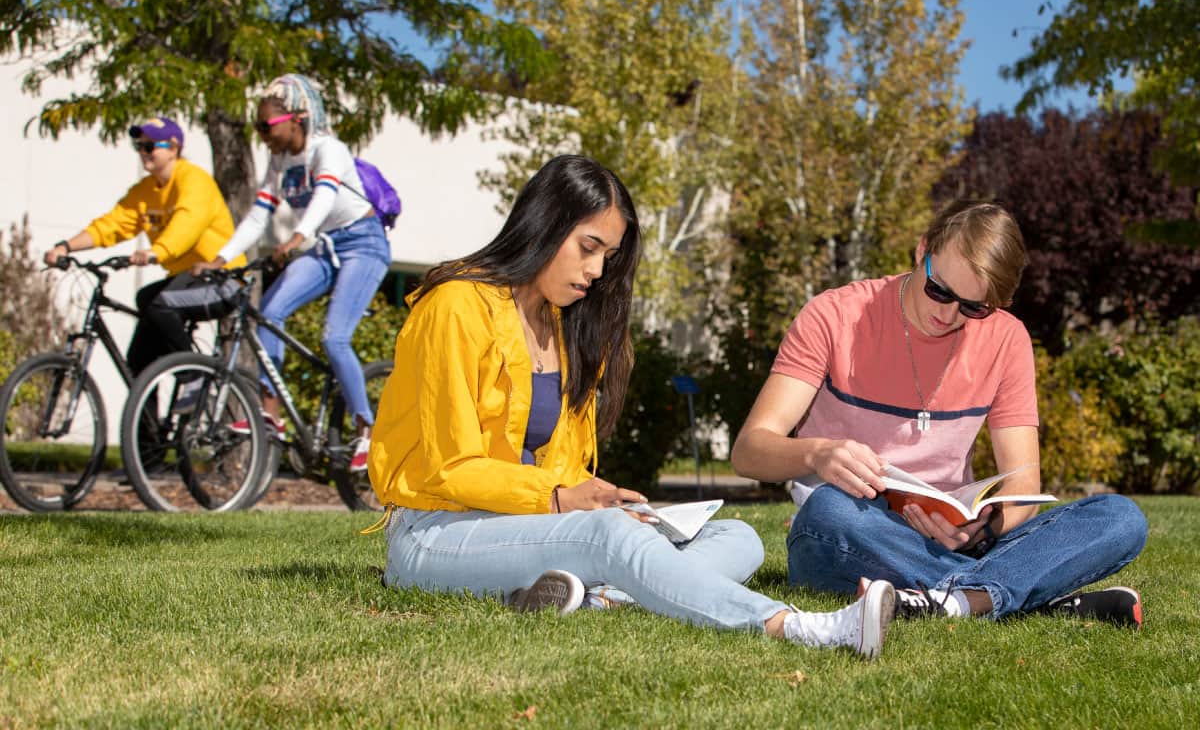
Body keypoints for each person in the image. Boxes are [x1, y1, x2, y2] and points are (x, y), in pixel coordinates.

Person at [365, 154, 896, 659]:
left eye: (609, 256)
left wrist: (602, 501)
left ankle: (598, 596)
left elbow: (562, 468)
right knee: (609, 536)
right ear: (545, 224)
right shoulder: (457, 305)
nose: (597, 270)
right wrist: (561, 500)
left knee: (737, 537)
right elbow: (450, 467)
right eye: (588, 246)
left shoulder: (563, 326)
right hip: (436, 535)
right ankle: (799, 626)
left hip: (525, 528)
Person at [730, 199, 1148, 628]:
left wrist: (984, 531)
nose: (947, 315)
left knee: (1119, 519)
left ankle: (944, 600)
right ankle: (1008, 597)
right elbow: (749, 451)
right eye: (939, 290)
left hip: (956, 544)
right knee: (827, 510)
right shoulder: (834, 316)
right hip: (852, 536)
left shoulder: (1007, 340)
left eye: (973, 308)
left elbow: (1024, 487)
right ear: (922, 251)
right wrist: (816, 454)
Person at [192, 74, 391, 472]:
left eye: (266, 125)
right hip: (324, 246)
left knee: (334, 338)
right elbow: (257, 216)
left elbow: (326, 195)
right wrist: (221, 258)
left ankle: (368, 431)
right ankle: (270, 414)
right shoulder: (280, 162)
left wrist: (299, 234)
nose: (261, 134)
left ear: (296, 119)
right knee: (268, 312)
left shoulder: (328, 149)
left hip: (363, 244)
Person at [43, 117, 246, 380]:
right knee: (139, 357)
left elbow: (188, 222)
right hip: (185, 280)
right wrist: (66, 246)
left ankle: (194, 379)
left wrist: (156, 252)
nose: (143, 152)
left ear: (173, 148)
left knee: (159, 304)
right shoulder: (145, 191)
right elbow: (112, 224)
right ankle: (146, 419)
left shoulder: (194, 180)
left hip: (222, 280)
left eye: (150, 146)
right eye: (139, 146)